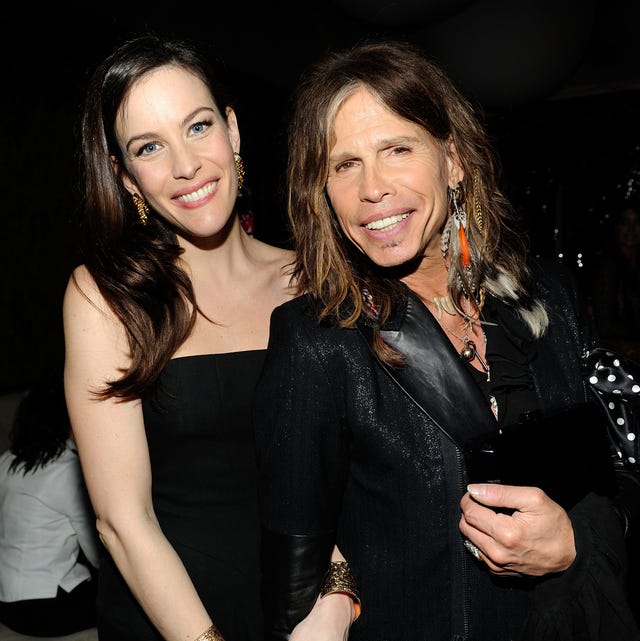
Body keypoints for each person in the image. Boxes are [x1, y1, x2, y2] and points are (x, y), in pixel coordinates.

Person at [254, 40, 640, 640]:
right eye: (344, 164)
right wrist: (334, 596)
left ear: (453, 160)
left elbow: (616, 472)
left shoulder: (549, 296)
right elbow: (293, 572)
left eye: (396, 149)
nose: (371, 188)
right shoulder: (317, 341)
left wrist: (573, 541)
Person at [62, 34, 356, 641]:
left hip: (305, 614)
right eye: (150, 147)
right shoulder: (104, 297)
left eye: (198, 128)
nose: (185, 166)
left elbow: (348, 474)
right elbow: (122, 520)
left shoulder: (316, 277)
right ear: (127, 179)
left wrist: (334, 602)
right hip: (167, 621)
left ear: (234, 131)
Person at [0, 367, 99, 637]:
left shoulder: (7, 461)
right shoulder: (68, 469)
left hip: (6, 601)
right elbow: (96, 553)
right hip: (44, 607)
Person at [591, 198, 640, 363]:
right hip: (621, 359)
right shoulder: (608, 269)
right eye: (625, 222)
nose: (631, 229)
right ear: (617, 227)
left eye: (636, 222)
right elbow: (602, 326)